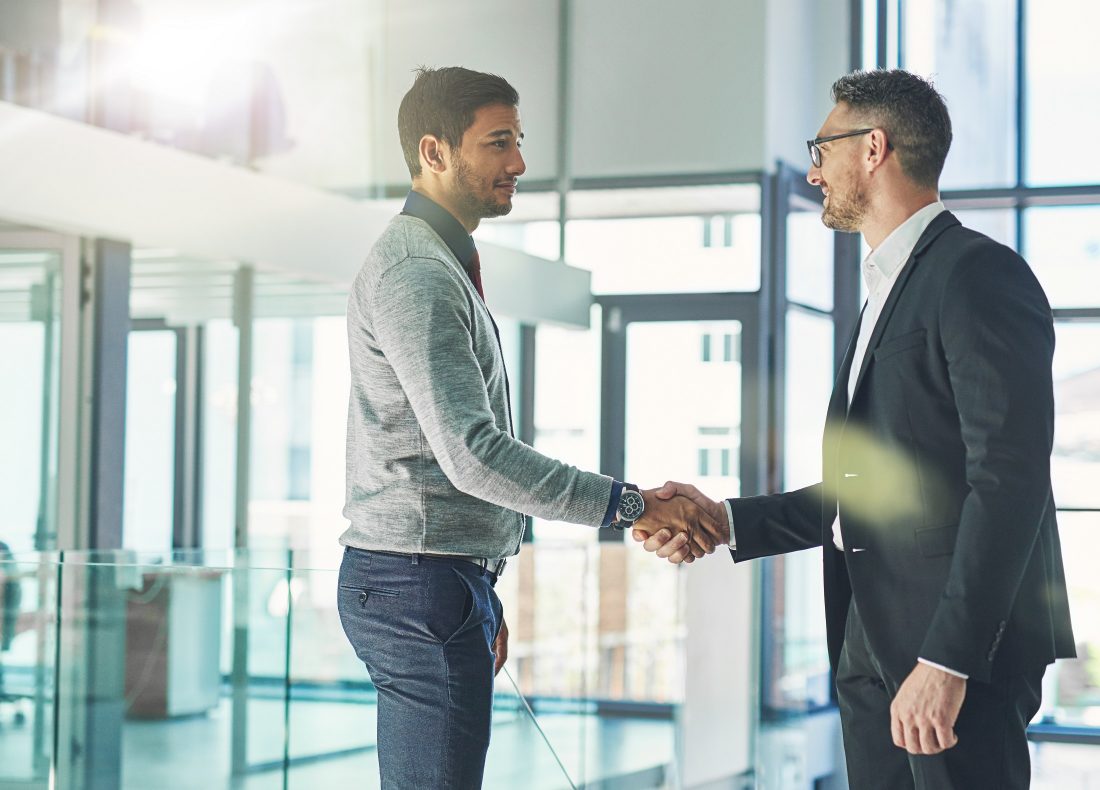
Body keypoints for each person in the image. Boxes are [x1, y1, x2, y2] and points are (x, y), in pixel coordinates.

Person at [638, 69, 1075, 790]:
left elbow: (1010, 480)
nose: (814, 171)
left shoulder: (977, 276)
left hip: (952, 653)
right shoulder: (880, 292)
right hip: (869, 637)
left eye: (823, 147)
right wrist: (725, 520)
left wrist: (948, 659)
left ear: (873, 148)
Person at [337, 66, 724, 789]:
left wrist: (478, 586)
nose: (518, 163)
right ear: (434, 152)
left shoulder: (440, 262)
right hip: (418, 582)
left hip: (435, 581)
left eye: (519, 141)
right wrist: (631, 504)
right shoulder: (416, 274)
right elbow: (473, 455)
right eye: (499, 143)